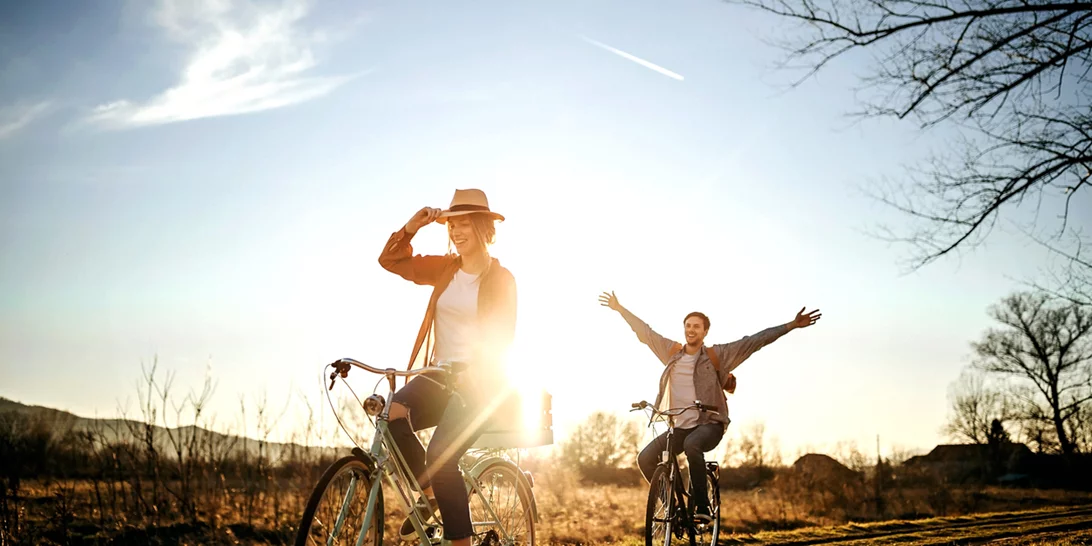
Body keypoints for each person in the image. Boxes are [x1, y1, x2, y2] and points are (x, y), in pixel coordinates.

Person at [598, 291, 820, 523]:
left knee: (692, 445)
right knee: (645, 458)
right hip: (680, 425)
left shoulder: (718, 355)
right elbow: (645, 333)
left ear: (705, 332)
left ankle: (702, 507)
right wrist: (620, 309)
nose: (691, 330)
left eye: (696, 326)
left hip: (709, 424)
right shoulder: (671, 353)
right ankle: (672, 505)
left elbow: (754, 341)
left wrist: (791, 325)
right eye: (687, 325)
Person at [379, 188, 517, 544]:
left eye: (464, 223)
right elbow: (391, 261)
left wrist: (475, 372)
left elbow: (502, 336)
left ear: (484, 228)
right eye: (451, 224)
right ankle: (431, 498)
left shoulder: (502, 279)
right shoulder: (444, 268)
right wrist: (412, 227)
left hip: (481, 383)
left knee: (441, 457)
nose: (456, 231)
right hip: (440, 375)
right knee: (390, 415)